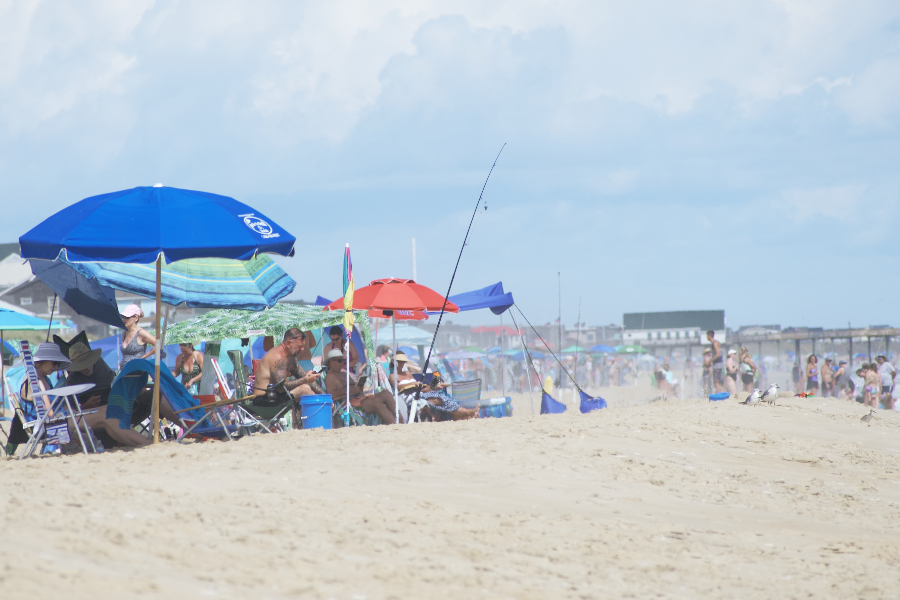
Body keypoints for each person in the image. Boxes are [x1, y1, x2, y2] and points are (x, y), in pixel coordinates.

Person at [5, 343, 70, 455]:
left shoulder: (43, 379)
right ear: (42, 361)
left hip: (43, 422)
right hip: (42, 425)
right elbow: (49, 412)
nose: (56, 367)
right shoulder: (35, 382)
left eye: (58, 364)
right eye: (54, 363)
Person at [323, 349, 396, 424]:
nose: (342, 363)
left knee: (386, 394)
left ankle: (399, 421)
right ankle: (393, 424)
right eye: (339, 360)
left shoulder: (344, 374)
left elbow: (355, 388)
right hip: (349, 403)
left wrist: (360, 386)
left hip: (359, 397)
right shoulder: (330, 376)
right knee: (376, 402)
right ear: (331, 361)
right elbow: (331, 395)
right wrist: (350, 391)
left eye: (343, 360)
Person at [254, 329, 323, 401]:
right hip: (264, 399)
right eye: (299, 346)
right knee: (304, 389)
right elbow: (281, 387)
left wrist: (325, 397)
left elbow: (303, 377)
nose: (302, 349)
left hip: (277, 395)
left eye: (303, 346)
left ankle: (324, 406)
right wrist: (306, 379)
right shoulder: (278, 357)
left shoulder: (291, 357)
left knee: (308, 388)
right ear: (289, 343)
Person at [64, 342, 115, 409]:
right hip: (91, 412)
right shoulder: (72, 380)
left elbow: (114, 381)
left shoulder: (99, 363)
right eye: (82, 366)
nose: (87, 368)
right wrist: (85, 406)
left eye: (88, 362)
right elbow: (68, 409)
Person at [120, 304, 157, 369]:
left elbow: (158, 344)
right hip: (124, 371)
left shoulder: (141, 333)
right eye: (123, 317)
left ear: (136, 318)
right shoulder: (124, 334)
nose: (124, 319)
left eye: (127, 317)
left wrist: (144, 357)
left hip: (138, 371)